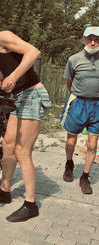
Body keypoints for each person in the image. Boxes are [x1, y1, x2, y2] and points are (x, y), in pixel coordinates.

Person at [0, 14, 51, 222]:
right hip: (21, 98)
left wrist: (13, 77)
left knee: (22, 151)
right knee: (8, 144)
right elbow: (2, 78)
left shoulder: (2, 37)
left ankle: (30, 205)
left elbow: (33, 52)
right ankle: (4, 191)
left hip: (32, 95)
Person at [60, 26, 99, 194]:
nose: (93, 42)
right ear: (83, 40)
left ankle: (85, 176)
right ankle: (69, 163)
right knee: (71, 140)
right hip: (78, 103)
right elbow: (69, 83)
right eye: (89, 38)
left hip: (97, 105)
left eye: (97, 39)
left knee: (92, 144)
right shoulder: (74, 59)